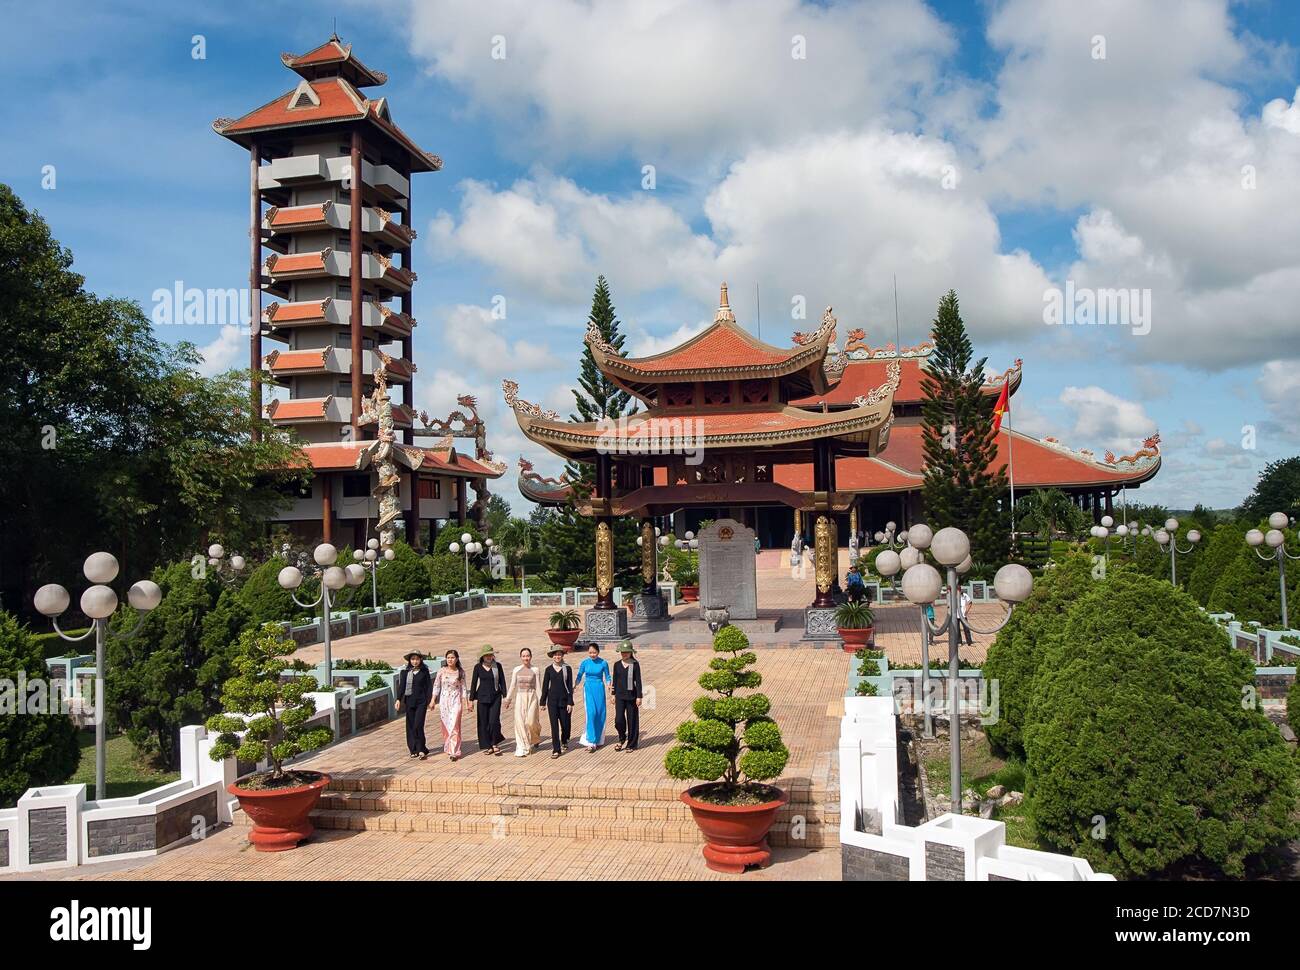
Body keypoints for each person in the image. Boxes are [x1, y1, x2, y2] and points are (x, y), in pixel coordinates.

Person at [394, 650, 433, 761]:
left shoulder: (424, 671)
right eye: (413, 659)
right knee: (410, 726)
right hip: (409, 702)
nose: (415, 661)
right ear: (409, 660)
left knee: (418, 725)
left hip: (421, 702)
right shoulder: (405, 672)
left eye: (417, 659)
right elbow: (401, 687)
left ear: (420, 660)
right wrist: (398, 699)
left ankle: (421, 749)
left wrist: (430, 700)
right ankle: (413, 749)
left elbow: (428, 687)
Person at [469, 645, 507, 756]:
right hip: (482, 697)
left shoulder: (497, 666)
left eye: (490, 655)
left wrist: (505, 696)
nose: (489, 657)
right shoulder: (478, 667)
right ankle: (488, 745)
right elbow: (473, 683)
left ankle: (495, 743)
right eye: (486, 655)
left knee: (493, 721)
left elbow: (502, 682)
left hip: (496, 697)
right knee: (483, 722)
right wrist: (471, 700)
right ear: (482, 657)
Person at [505, 647, 542, 757]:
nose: (526, 658)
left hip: (532, 697)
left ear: (531, 657)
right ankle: (523, 747)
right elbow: (512, 685)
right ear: (521, 657)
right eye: (524, 656)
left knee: (531, 721)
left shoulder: (535, 670)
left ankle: (535, 736)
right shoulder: (516, 669)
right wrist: (508, 699)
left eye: (528, 656)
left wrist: (543, 701)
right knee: (520, 723)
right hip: (520, 697)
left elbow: (538, 687)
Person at [573, 642, 611, 751]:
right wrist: (575, 684)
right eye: (590, 652)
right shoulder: (585, 663)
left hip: (599, 689)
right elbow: (579, 675)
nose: (592, 654)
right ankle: (591, 740)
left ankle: (598, 739)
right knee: (591, 713)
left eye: (594, 652)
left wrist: (609, 685)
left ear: (598, 652)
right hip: (588, 689)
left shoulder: (603, 663)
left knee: (600, 713)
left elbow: (608, 676)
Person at [432, 648, 468, 761]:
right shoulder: (442, 671)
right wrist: (433, 700)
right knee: (447, 725)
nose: (450, 660)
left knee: (454, 725)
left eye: (452, 657)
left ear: (457, 659)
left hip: (456, 700)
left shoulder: (460, 672)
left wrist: (466, 703)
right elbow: (436, 686)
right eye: (448, 658)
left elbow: (464, 688)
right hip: (444, 701)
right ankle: (448, 746)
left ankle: (455, 751)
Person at [540, 645, 574, 758]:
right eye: (555, 654)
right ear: (552, 656)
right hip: (552, 702)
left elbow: (569, 686)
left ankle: (564, 739)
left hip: (564, 701)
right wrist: (542, 702)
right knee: (554, 726)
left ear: (562, 655)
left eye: (559, 654)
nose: (557, 656)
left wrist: (570, 702)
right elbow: (545, 686)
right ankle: (556, 749)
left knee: (565, 725)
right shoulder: (548, 670)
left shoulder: (567, 668)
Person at [611, 641, 643, 751]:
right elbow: (614, 680)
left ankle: (632, 744)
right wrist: (613, 694)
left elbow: (638, 681)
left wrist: (639, 696)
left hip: (631, 697)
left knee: (632, 720)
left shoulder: (635, 664)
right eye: (622, 652)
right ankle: (621, 738)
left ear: (631, 653)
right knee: (618, 720)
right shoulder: (617, 664)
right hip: (619, 696)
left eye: (627, 652)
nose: (624, 654)